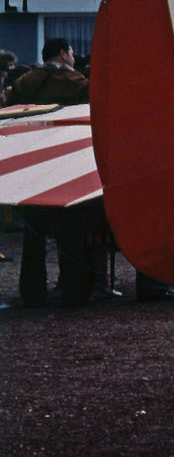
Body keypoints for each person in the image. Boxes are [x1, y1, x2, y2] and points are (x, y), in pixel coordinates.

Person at [8, 39, 98, 306]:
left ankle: (32, 292)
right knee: (71, 232)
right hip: (66, 165)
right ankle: (74, 290)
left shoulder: (25, 81)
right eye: (71, 52)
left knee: (33, 235)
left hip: (31, 166)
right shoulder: (75, 82)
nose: (73, 56)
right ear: (62, 53)